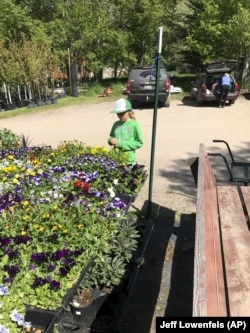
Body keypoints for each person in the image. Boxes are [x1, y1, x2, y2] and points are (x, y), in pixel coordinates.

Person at [108, 98, 143, 166]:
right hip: (116, 159)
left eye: (122, 113)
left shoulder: (134, 124)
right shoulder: (116, 124)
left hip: (129, 160)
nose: (120, 115)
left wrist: (120, 144)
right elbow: (111, 136)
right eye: (118, 113)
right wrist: (110, 140)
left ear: (129, 111)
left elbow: (139, 142)